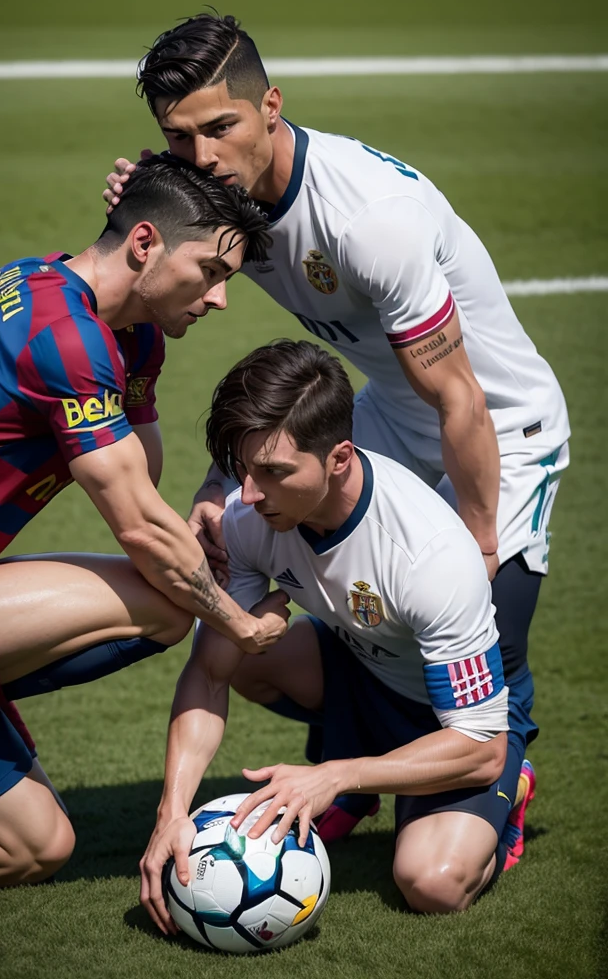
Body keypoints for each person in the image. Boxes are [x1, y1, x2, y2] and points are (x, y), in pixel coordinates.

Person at [104, 12, 569, 832]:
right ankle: (352, 769)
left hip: (496, 424)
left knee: (482, 631)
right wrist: (150, 205)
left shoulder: (366, 222)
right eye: (181, 140)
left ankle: (497, 772)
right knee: (307, 606)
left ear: (272, 106)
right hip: (390, 408)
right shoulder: (222, 194)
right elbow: (166, 262)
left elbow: (460, 398)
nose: (203, 158)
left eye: (221, 128)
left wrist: (480, 544)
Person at [0, 155, 290, 894]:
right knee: (167, 602)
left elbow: (143, 479)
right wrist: (238, 626)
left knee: (36, 845)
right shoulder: (68, 339)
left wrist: (184, 523)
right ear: (146, 244)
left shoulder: (103, 317)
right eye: (211, 271)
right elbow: (140, 531)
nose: (220, 299)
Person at [139, 339, 538, 930]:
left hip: (455, 726)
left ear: (340, 458)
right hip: (361, 670)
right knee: (235, 650)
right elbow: (208, 672)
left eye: (273, 473)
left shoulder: (429, 556)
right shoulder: (251, 520)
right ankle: (357, 778)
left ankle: (498, 799)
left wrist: (338, 772)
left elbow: (481, 748)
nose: (248, 495)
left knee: (432, 882)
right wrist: (171, 811)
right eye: (243, 471)